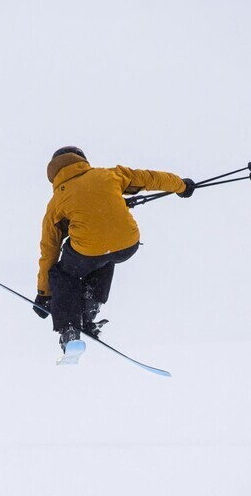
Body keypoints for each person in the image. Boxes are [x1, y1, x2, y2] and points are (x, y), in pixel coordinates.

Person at [33, 147, 195, 352]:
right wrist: (181, 186)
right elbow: (149, 178)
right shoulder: (108, 174)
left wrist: (44, 293)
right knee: (105, 253)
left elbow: (49, 250)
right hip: (127, 244)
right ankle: (89, 307)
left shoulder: (56, 202)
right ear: (81, 160)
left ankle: (69, 330)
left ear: (54, 174)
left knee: (64, 272)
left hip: (89, 252)